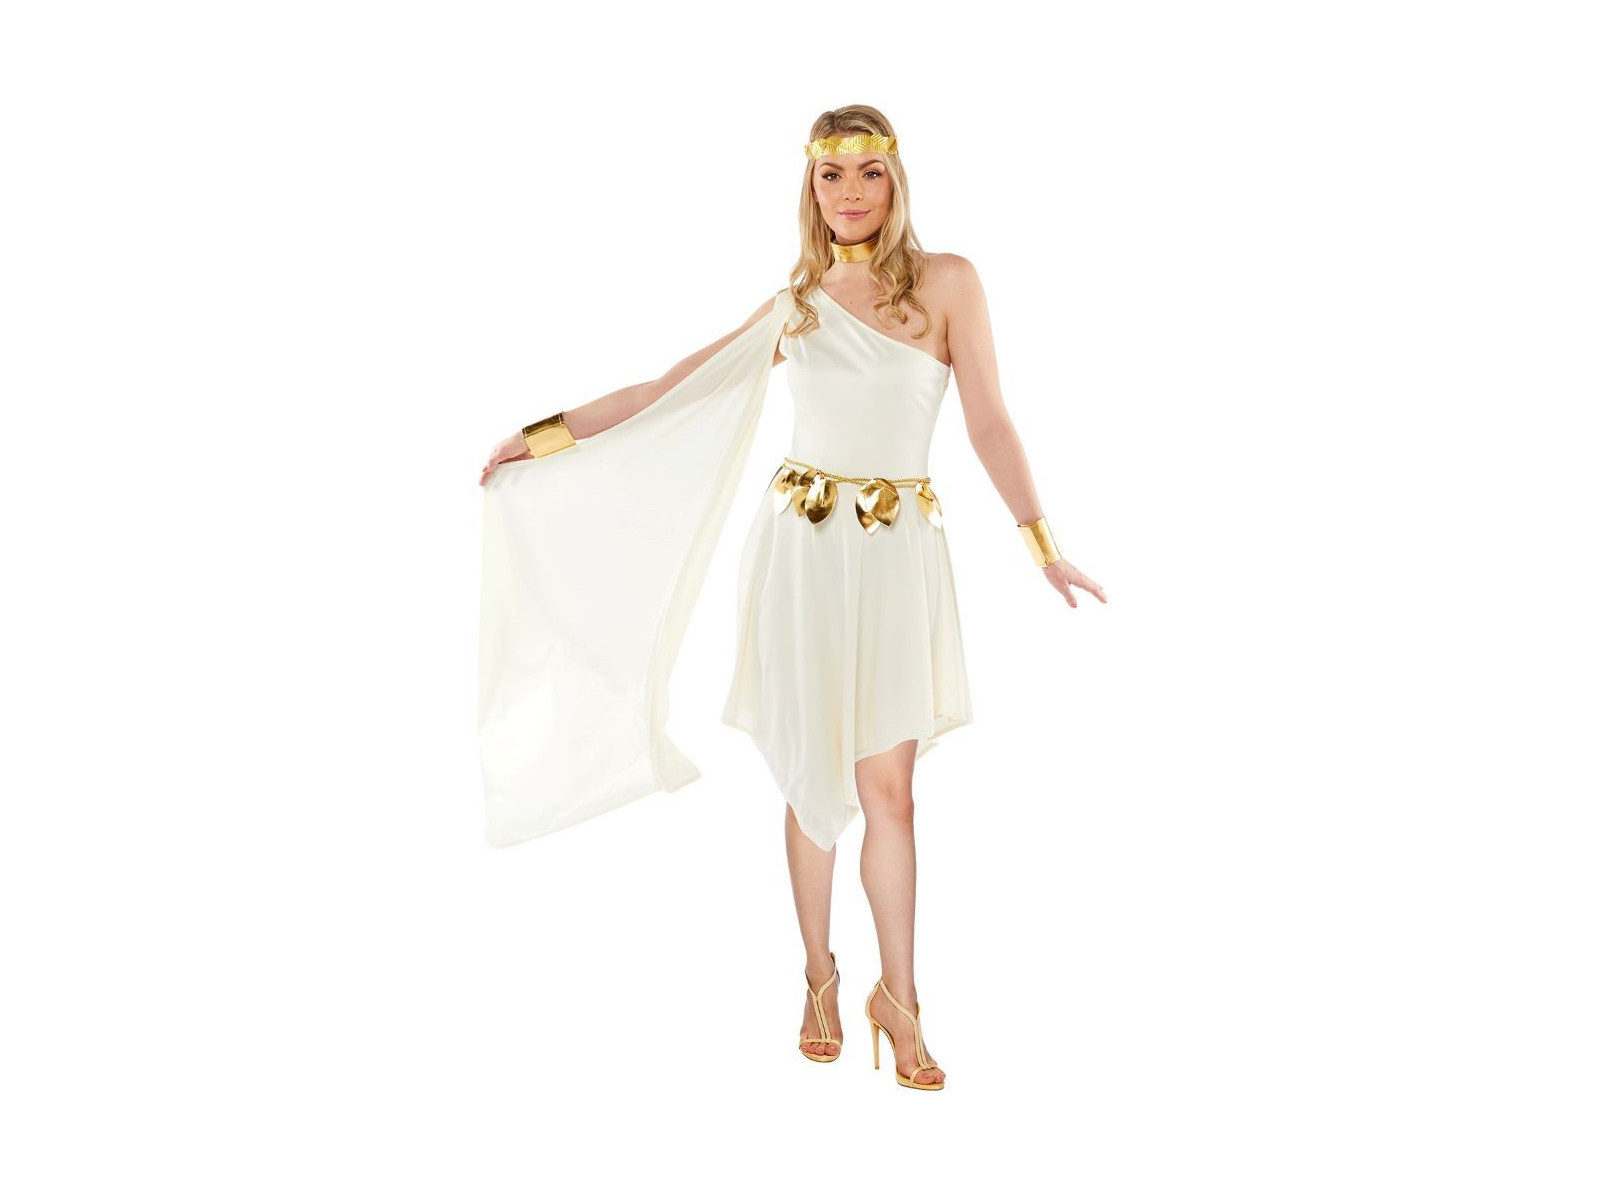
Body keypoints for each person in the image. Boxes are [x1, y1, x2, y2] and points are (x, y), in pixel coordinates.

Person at [477, 106, 1107, 1091]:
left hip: (896, 558)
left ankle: (901, 1001)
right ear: (810, 187)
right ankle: (819, 976)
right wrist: (544, 434)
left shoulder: (948, 283)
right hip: (804, 556)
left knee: (890, 790)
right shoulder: (800, 301)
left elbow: (988, 419)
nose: (850, 192)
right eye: (831, 175)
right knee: (812, 779)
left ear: (896, 182)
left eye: (869, 172)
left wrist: (1042, 543)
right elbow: (673, 386)